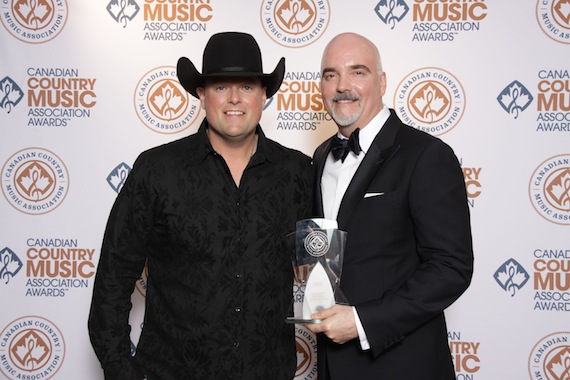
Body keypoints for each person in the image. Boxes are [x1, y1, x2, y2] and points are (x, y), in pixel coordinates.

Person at [88, 32, 312, 380]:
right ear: (202, 94)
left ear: (265, 95)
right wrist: (121, 370)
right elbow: (112, 280)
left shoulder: (297, 172)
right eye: (221, 87)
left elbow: (331, 261)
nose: (234, 99)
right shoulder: (157, 170)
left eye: (248, 87)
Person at [305, 32, 474, 379]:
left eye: (358, 72)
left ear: (381, 82)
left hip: (402, 365)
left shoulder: (426, 155)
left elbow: (451, 267)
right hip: (332, 368)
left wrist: (360, 321)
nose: (342, 86)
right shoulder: (321, 156)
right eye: (330, 74)